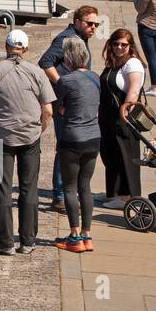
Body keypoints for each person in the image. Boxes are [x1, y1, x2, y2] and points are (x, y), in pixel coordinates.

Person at [0, 29, 54, 255]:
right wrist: (39, 130)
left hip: (1, 137)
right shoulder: (37, 72)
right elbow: (47, 110)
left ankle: (5, 242)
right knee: (29, 189)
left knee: (2, 189)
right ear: (26, 49)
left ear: (7, 47)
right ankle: (28, 241)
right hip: (30, 137)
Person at [38, 5, 101, 212]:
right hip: (65, 102)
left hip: (75, 100)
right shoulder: (66, 39)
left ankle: (67, 191)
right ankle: (59, 195)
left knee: (73, 146)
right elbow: (45, 61)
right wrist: (63, 83)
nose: (93, 27)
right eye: (89, 23)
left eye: (95, 24)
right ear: (77, 21)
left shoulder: (81, 38)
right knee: (64, 147)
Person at [51, 36, 101, 252]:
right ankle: (88, 236)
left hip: (72, 138)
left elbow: (59, 109)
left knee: (70, 187)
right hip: (94, 137)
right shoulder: (95, 77)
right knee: (85, 186)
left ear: (68, 58)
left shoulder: (65, 81)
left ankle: (74, 236)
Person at [98, 28, 145, 209]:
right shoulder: (113, 62)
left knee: (126, 157)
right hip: (107, 117)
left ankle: (127, 196)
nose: (119, 47)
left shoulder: (132, 64)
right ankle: (114, 193)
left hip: (123, 118)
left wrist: (124, 115)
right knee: (110, 155)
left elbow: (133, 91)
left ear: (130, 46)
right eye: (115, 44)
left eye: (123, 45)